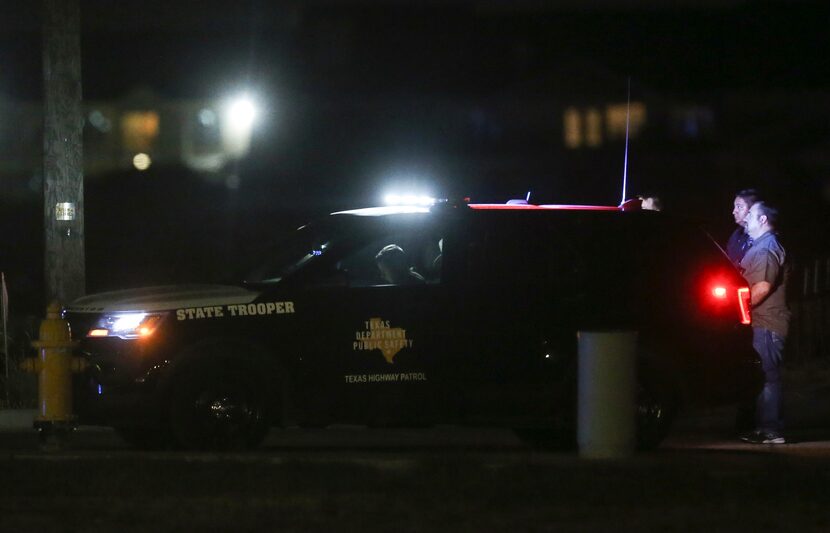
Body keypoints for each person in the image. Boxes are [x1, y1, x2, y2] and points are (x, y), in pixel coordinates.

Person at [739, 201, 791, 445]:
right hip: (761, 323)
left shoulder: (767, 247)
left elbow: (762, 287)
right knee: (762, 376)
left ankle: (772, 429)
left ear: (763, 220)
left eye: (751, 213)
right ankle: (764, 427)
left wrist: (738, 308)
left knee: (768, 376)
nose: (745, 217)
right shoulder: (759, 246)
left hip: (767, 323)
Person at [726, 189, 761, 269]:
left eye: (739, 207)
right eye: (734, 207)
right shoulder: (736, 235)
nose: (734, 211)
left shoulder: (764, 239)